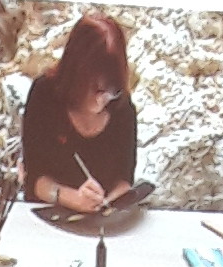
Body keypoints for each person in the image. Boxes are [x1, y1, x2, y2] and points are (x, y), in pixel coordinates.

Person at [21, 13, 138, 210]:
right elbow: (34, 178)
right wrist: (72, 198)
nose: (101, 100)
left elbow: (124, 180)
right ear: (76, 74)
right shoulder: (45, 95)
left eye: (111, 90)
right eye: (94, 88)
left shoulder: (121, 107)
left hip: (101, 219)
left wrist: (106, 204)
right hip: (48, 214)